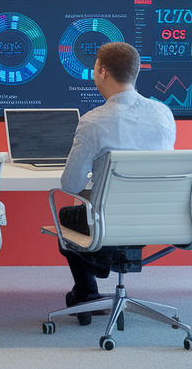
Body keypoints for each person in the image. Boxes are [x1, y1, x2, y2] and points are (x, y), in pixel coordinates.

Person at [56, 41, 176, 323]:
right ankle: (91, 283)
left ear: (103, 72)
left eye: (94, 69)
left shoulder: (93, 121)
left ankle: (86, 292)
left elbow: (70, 184)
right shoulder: (164, 114)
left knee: (68, 215)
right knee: (90, 213)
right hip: (156, 218)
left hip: (108, 223)